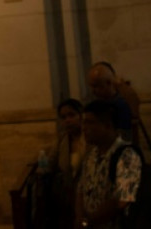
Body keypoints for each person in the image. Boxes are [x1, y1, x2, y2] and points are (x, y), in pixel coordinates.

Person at [75, 100, 142, 229]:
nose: (84, 128)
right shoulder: (91, 155)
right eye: (83, 123)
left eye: (90, 122)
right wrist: (80, 218)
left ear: (108, 125)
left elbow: (122, 200)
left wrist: (89, 221)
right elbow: (81, 189)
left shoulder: (127, 155)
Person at [50, 99, 86, 229]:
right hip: (68, 196)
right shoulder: (62, 140)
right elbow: (51, 163)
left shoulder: (90, 138)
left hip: (87, 196)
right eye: (64, 117)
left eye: (71, 115)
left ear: (81, 115)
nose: (68, 120)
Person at [86, 63, 137, 140]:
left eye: (96, 86)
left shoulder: (120, 106)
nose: (93, 91)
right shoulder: (98, 104)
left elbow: (124, 137)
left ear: (109, 83)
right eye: (91, 86)